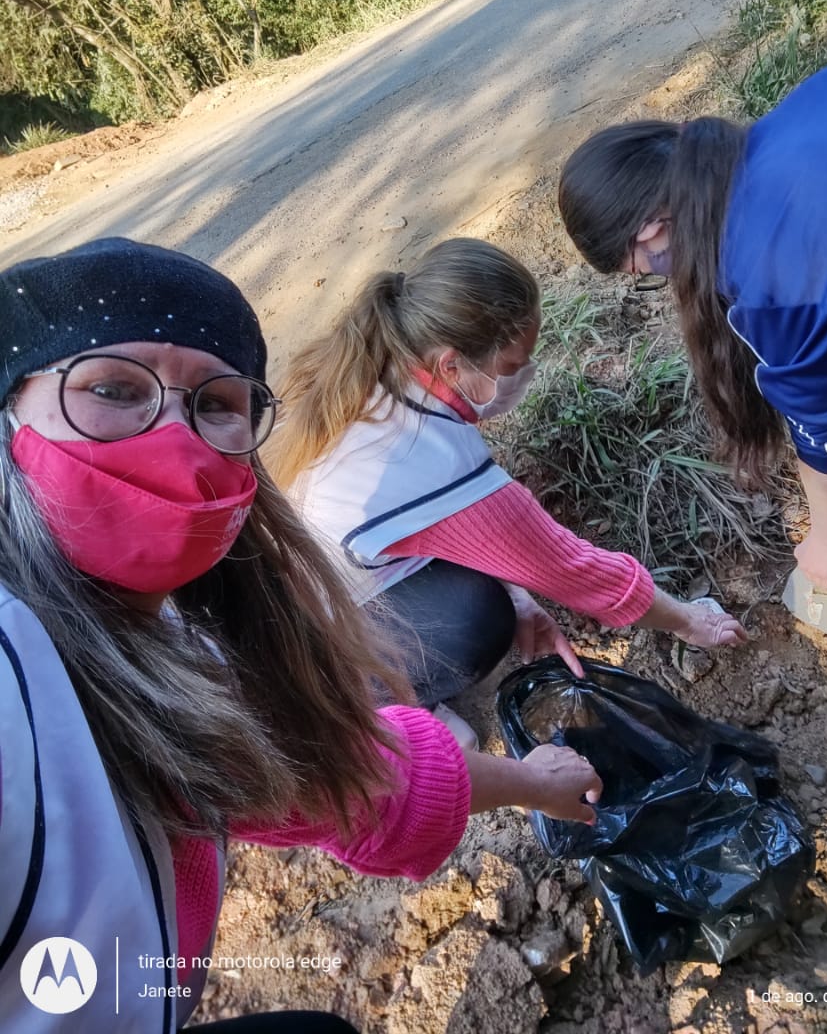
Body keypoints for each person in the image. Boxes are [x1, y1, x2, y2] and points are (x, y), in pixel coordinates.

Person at [0, 237, 603, 1034]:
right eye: (113, 389)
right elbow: (566, 561)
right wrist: (688, 622)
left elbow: (347, 781)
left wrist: (526, 777)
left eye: (216, 405)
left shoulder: (173, 646)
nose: (173, 440)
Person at [266, 237, 747, 747]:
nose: (523, 376)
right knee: (476, 621)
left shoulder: (380, 363)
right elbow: (576, 571)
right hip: (307, 646)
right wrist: (689, 621)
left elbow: (455, 529)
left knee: (494, 598)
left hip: (315, 586)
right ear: (451, 364)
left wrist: (520, 591)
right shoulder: (434, 462)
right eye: (513, 366)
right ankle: (377, 708)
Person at [558, 41, 827, 588]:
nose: (662, 278)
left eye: (645, 270)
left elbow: (824, 425)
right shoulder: (789, 123)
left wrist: (824, 538)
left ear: (651, 231)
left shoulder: (768, 271)